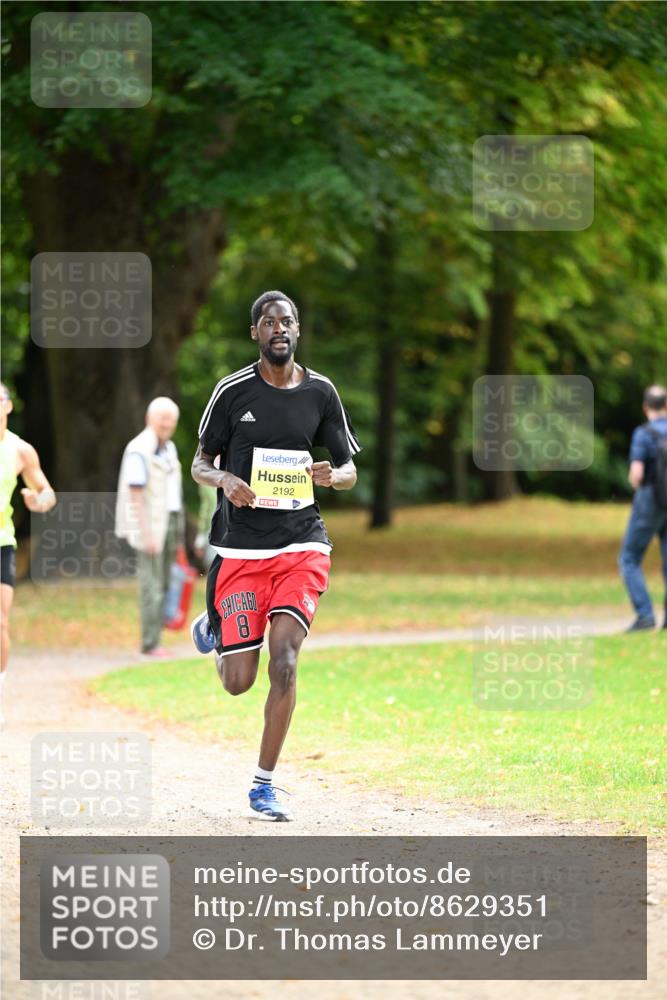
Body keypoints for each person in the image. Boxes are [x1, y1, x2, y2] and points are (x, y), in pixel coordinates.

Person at [190, 290, 361, 821]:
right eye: (268, 322)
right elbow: (198, 462)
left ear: (298, 330)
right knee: (239, 681)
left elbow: (351, 467)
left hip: (301, 545)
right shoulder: (232, 391)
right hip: (240, 549)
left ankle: (263, 784)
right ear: (256, 334)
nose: (278, 328)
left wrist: (334, 476)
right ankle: (215, 628)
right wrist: (225, 480)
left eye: (286, 321)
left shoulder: (322, 393)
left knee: (284, 661)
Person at [0, 382, 56, 717]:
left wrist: (38, 501)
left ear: (8, 406)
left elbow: (47, 492)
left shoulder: (20, 451)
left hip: (2, 542)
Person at [115, 397, 184, 658]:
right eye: (162, 418)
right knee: (151, 585)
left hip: (169, 522)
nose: (167, 423)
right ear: (149, 418)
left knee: (165, 583)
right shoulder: (139, 448)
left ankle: (157, 638)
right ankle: (149, 642)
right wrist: (146, 533)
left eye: (171, 419)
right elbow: (135, 495)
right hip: (149, 525)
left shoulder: (169, 449)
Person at [619, 384, 667, 632]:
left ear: (645, 407)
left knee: (629, 558)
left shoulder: (643, 433)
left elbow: (636, 474)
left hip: (650, 501)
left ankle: (645, 615)